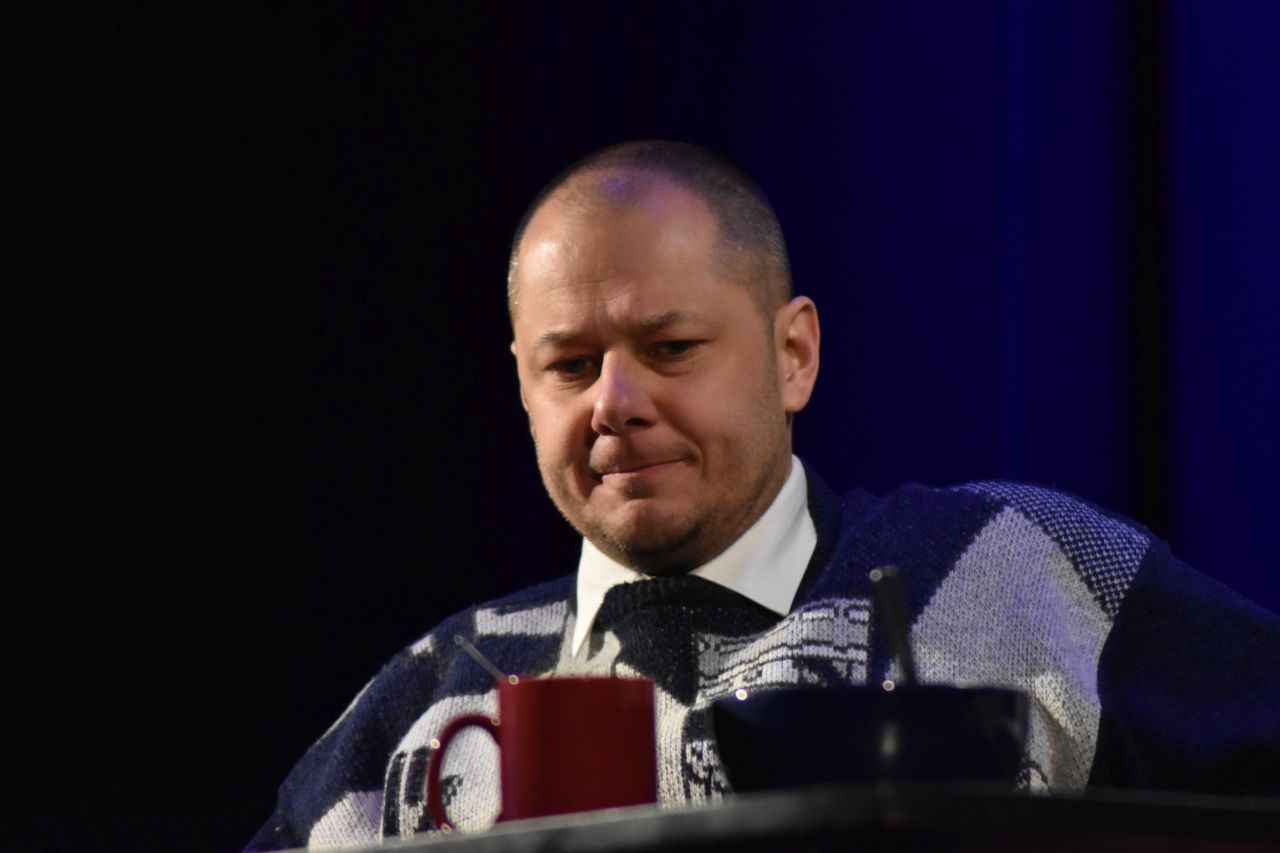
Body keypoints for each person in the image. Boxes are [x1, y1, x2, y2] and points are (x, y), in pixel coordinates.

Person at [247, 141, 1279, 850]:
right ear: (522, 387)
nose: (614, 403)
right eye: (570, 366)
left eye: (670, 347)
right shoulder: (428, 697)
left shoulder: (1015, 564)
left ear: (794, 356)